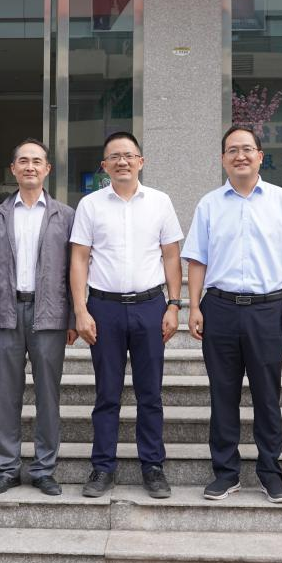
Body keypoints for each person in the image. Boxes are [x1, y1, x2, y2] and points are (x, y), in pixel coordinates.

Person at [182, 126, 282, 503]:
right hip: (220, 308)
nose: (240, 155)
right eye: (232, 150)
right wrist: (194, 306)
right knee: (222, 394)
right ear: (223, 159)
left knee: (267, 396)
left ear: (260, 156)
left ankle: (271, 473)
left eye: (247, 149)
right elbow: (197, 260)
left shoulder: (281, 200)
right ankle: (226, 473)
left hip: (268, 310)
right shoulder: (209, 204)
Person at [70, 131, 183, 499]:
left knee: (150, 393)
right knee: (107, 393)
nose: (122, 161)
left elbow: (171, 255)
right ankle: (103, 466)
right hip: (104, 308)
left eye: (129, 155)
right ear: (104, 165)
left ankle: (153, 466)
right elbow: (79, 259)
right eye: (114, 156)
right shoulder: (90, 205)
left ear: (140, 162)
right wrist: (81, 310)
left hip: (150, 306)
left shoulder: (160, 202)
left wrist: (174, 304)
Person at [0, 138, 77, 497]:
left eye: (37, 161)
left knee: (48, 395)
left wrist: (72, 318)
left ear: (47, 169)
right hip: (7, 312)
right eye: (23, 161)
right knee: (7, 394)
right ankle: (6, 468)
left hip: (50, 314)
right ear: (13, 169)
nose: (30, 166)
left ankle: (44, 469)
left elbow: (74, 271)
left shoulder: (64, 215)